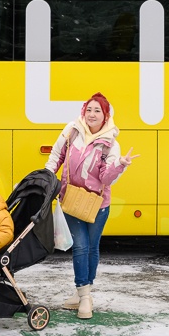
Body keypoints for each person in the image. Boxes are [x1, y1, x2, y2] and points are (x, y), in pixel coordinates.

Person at [45, 92, 138, 319]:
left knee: (92, 248)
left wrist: (120, 165)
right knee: (80, 246)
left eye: (98, 111)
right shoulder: (72, 130)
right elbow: (57, 155)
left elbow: (106, 179)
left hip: (97, 205)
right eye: (89, 109)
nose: (92, 114)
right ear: (83, 111)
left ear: (106, 116)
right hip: (71, 199)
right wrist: (48, 176)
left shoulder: (110, 144)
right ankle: (85, 295)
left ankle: (83, 292)